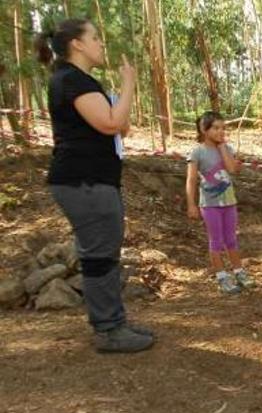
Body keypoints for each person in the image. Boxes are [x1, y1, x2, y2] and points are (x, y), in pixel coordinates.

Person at [37, 19, 153, 353]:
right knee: (100, 255)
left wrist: (119, 104)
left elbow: (120, 126)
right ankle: (108, 330)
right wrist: (129, 83)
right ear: (77, 44)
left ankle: (113, 322)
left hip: (94, 178)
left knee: (105, 251)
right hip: (83, 180)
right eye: (95, 37)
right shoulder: (71, 80)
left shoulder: (80, 81)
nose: (101, 43)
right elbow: (111, 122)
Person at [186, 111, 255, 294]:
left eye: (223, 128)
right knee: (216, 240)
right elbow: (191, 180)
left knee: (231, 239)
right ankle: (222, 276)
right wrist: (191, 204)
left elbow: (232, 168)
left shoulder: (227, 149)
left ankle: (239, 271)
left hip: (229, 202)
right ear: (204, 129)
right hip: (209, 204)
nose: (220, 131)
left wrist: (223, 147)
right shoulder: (197, 152)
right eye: (216, 128)